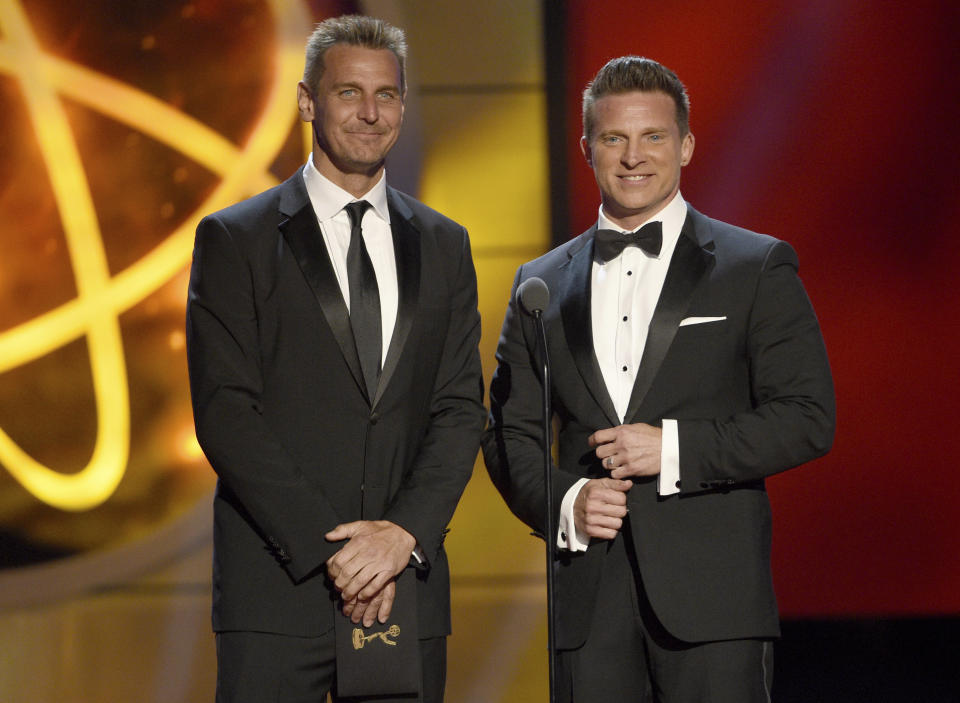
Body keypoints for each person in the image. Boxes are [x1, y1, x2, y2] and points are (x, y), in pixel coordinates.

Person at [482, 56, 835, 702]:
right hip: (587, 606)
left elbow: (808, 416)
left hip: (716, 610)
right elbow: (507, 433)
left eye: (654, 137)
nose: (633, 156)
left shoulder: (753, 266)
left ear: (687, 145)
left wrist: (672, 448)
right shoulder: (540, 283)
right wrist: (568, 502)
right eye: (614, 138)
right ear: (588, 148)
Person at [186, 14, 485, 702]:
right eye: (349, 92)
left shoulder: (444, 242)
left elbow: (459, 406)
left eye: (386, 95)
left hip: (402, 587)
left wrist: (401, 535)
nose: (371, 112)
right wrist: (338, 553)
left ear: (403, 106)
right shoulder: (236, 238)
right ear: (307, 101)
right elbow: (227, 411)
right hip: (277, 593)